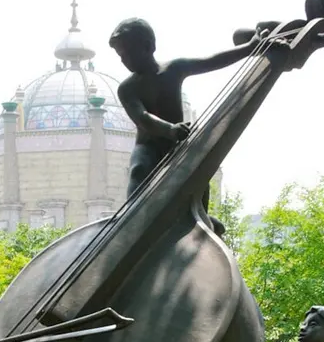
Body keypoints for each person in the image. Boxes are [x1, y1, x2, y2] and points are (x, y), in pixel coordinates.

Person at [109, 18, 261, 236]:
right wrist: (170, 129)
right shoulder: (127, 88)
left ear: (148, 46)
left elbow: (211, 61)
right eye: (120, 56)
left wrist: (249, 49)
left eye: (128, 53)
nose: (124, 60)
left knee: (199, 174)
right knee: (139, 169)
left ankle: (199, 217)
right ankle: (131, 223)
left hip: (177, 142)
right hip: (150, 146)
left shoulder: (174, 69)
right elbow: (143, 118)